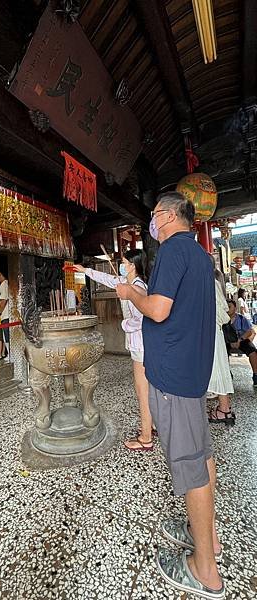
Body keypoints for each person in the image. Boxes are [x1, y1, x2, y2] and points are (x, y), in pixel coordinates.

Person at [116, 192, 224, 599]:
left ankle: (205, 571)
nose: (151, 221)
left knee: (190, 463)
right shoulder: (197, 254)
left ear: (167, 215)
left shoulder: (172, 251)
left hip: (176, 377)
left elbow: (159, 309)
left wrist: (130, 294)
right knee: (204, 453)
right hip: (192, 370)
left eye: (153, 215)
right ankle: (206, 536)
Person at [75, 249, 154, 451]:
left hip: (142, 343)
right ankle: (151, 424)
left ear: (133, 266)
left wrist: (125, 324)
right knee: (147, 388)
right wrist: (85, 270)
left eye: (125, 262)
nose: (122, 265)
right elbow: (108, 278)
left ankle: (146, 437)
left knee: (142, 390)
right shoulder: (128, 283)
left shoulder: (138, 288)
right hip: (140, 343)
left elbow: (143, 317)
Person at [207, 257, 235, 425]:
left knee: (217, 369)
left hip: (212, 333)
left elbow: (221, 314)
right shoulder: (214, 281)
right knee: (219, 369)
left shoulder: (209, 282)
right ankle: (224, 409)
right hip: (213, 333)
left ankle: (224, 410)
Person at [227, 299, 257, 386]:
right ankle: (227, 373)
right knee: (221, 351)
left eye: (230, 307)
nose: (227, 309)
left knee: (252, 350)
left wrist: (240, 340)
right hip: (227, 341)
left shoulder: (241, 318)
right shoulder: (223, 319)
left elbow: (249, 331)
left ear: (235, 308)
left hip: (242, 340)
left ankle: (255, 374)